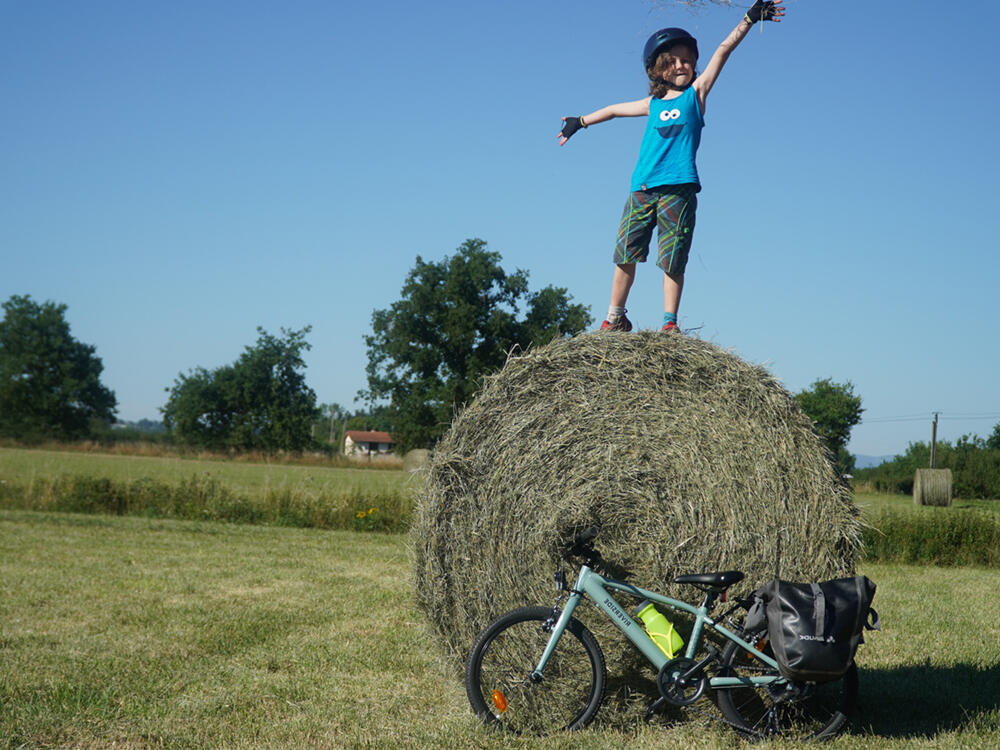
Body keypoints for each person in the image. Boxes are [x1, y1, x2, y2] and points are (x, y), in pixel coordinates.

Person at [559, 0, 784, 332]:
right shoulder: (650, 104)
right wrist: (580, 121)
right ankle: (615, 317)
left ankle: (669, 323)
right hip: (642, 188)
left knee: (673, 259)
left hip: (679, 190)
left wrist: (748, 19)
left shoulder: (696, 94)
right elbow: (613, 110)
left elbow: (723, 51)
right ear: (658, 69)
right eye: (673, 61)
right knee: (625, 254)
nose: (682, 65)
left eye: (687, 60)